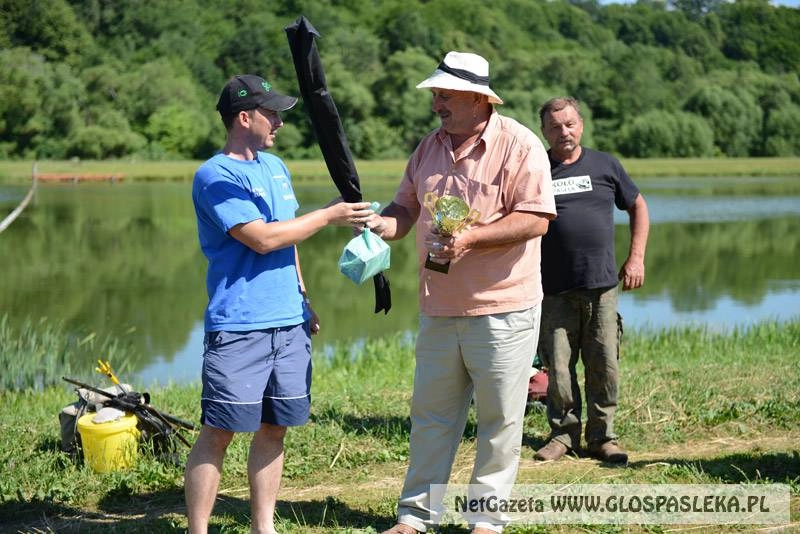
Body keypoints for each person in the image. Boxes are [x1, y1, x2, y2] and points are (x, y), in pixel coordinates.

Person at [367, 52, 556, 534]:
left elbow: (536, 218)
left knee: (499, 418)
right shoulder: (427, 148)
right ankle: (415, 517)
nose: (437, 104)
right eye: (435, 94)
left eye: (445, 95)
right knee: (431, 417)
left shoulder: (520, 144)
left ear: (477, 99)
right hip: (439, 306)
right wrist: (380, 225)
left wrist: (471, 238)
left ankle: (486, 521)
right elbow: (405, 208)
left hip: (503, 306)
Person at [184, 74, 374, 534]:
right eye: (271, 113)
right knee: (219, 432)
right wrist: (327, 216)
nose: (280, 122)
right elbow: (263, 239)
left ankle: (263, 527)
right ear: (243, 117)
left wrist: (303, 298)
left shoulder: (275, 167)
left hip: (289, 324)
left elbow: (288, 239)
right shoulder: (216, 175)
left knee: (275, 427)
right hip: (240, 325)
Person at [534, 97, 650, 464]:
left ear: (581, 125)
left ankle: (603, 438)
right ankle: (563, 436)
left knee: (604, 365)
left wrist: (636, 258)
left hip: (601, 287)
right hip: (552, 290)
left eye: (569, 124)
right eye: (555, 127)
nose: (563, 132)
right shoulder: (536, 169)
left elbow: (638, 206)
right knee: (559, 368)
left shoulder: (605, 164)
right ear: (544, 132)